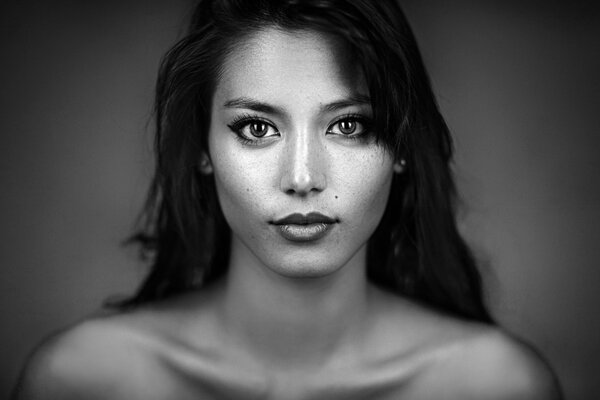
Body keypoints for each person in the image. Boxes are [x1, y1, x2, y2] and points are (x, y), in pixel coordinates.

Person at [13, 0, 562, 398]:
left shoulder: (497, 385)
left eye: (349, 125)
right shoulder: (82, 380)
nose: (302, 177)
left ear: (401, 145)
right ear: (201, 147)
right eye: (256, 129)